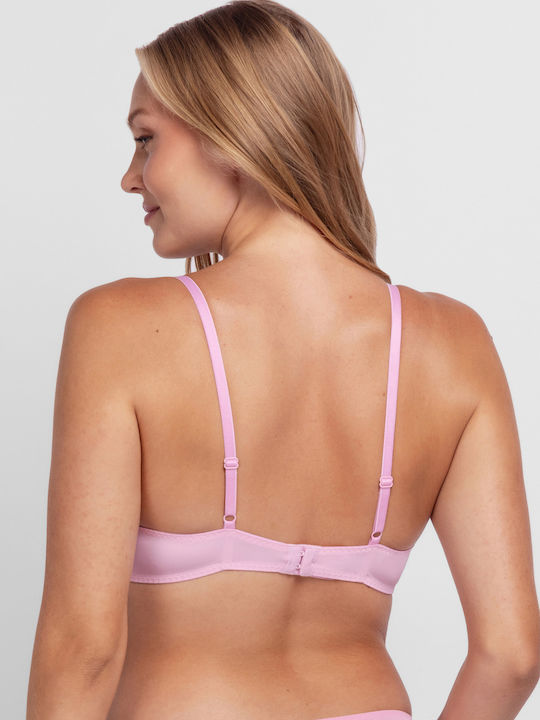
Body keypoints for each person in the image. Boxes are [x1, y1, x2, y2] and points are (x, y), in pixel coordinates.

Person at [27, 1, 539, 719]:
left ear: (232, 135)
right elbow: (512, 654)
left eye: (145, 141)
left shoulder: (119, 327)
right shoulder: (456, 344)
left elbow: (83, 648)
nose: (129, 178)